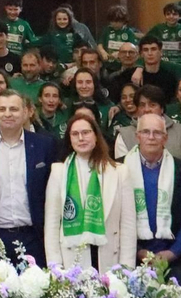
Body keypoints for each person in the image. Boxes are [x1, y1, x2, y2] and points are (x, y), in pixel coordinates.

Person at [0, 91, 57, 264]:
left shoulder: (44, 145)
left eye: (14, 109)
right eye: (2, 109)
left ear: (25, 112)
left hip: (33, 237)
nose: (7, 114)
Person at [45, 115, 133, 271]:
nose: (81, 138)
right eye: (75, 134)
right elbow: (52, 224)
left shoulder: (119, 172)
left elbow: (128, 225)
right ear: (69, 139)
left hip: (111, 258)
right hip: (71, 260)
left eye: (86, 132)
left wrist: (126, 268)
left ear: (96, 136)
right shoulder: (59, 172)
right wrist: (55, 267)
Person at [123, 112, 181, 284]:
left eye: (157, 133)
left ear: (165, 138)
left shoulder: (180, 169)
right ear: (137, 136)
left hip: (174, 258)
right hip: (131, 256)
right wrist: (138, 251)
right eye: (146, 132)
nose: (151, 137)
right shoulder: (120, 168)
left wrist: (173, 253)